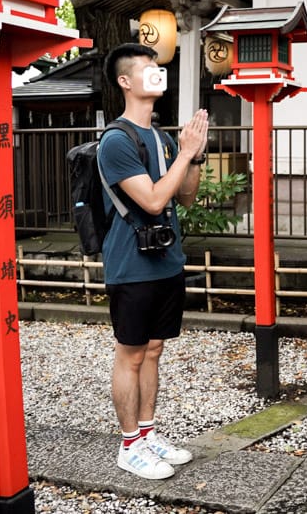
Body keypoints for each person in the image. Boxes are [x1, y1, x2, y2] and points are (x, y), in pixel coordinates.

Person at [99, 43, 209, 480]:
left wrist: (194, 153)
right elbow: (152, 198)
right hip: (131, 266)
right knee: (130, 354)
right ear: (126, 81)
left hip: (166, 261)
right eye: (148, 69)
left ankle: (147, 433)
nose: (156, 74)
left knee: (155, 349)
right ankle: (129, 447)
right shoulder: (116, 141)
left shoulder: (162, 138)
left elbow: (185, 196)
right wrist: (184, 153)